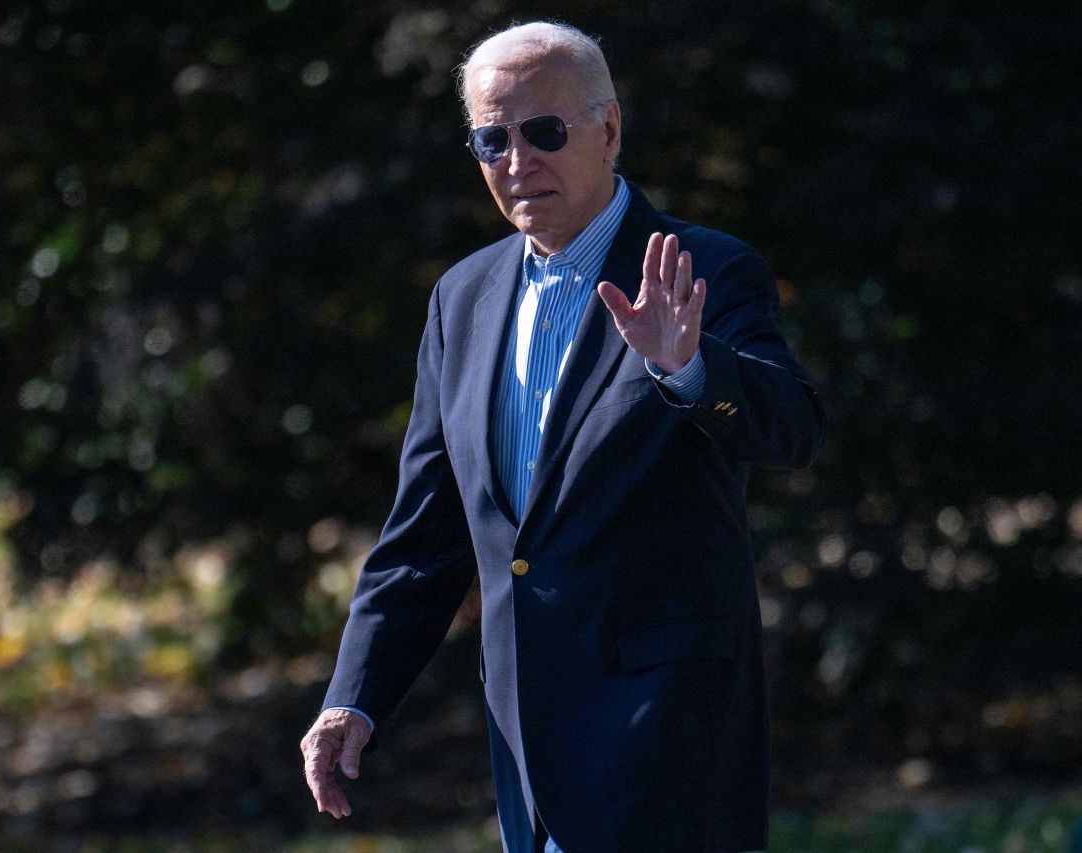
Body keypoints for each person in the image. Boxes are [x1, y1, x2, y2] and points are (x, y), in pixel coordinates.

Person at [301, 20, 825, 853]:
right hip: (526, 745)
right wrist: (352, 697)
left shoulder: (704, 268)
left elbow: (793, 430)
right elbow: (425, 535)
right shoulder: (461, 298)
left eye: (544, 132)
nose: (517, 163)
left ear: (609, 129)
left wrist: (690, 367)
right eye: (491, 140)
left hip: (668, 735)